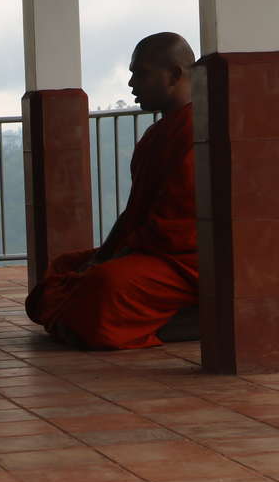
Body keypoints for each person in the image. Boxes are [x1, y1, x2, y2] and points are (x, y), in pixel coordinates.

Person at [25, 32, 198, 350]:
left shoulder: (200, 131)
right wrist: (103, 255)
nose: (131, 84)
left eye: (141, 74)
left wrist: (112, 261)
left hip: (187, 262)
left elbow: (176, 227)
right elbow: (134, 212)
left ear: (174, 74)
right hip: (150, 251)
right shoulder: (156, 135)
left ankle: (184, 322)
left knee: (105, 283)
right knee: (65, 266)